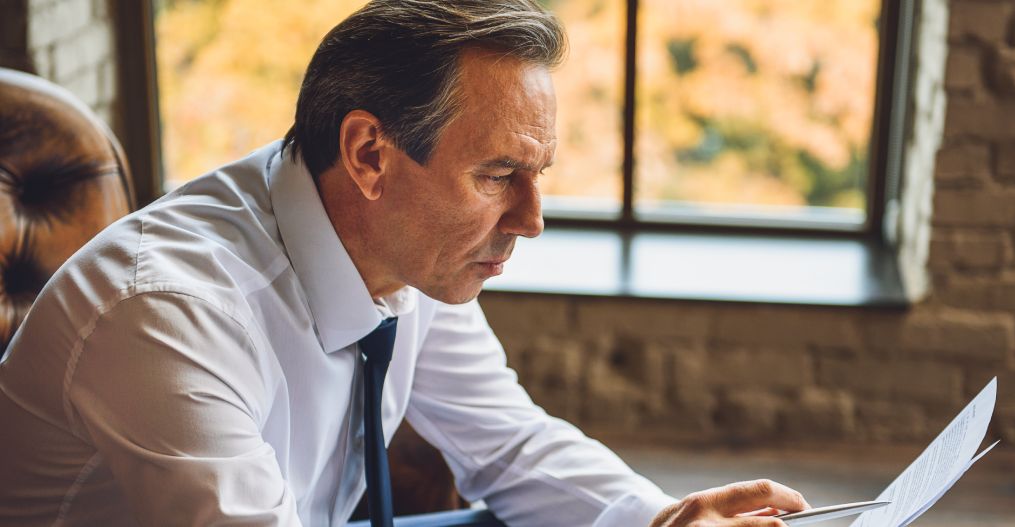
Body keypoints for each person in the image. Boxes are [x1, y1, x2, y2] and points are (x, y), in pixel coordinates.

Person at [0, 1, 810, 525]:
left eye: (538, 176)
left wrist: (663, 517)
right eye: (498, 175)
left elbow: (507, 442)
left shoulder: (401, 250)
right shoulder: (165, 310)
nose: (530, 220)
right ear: (368, 154)